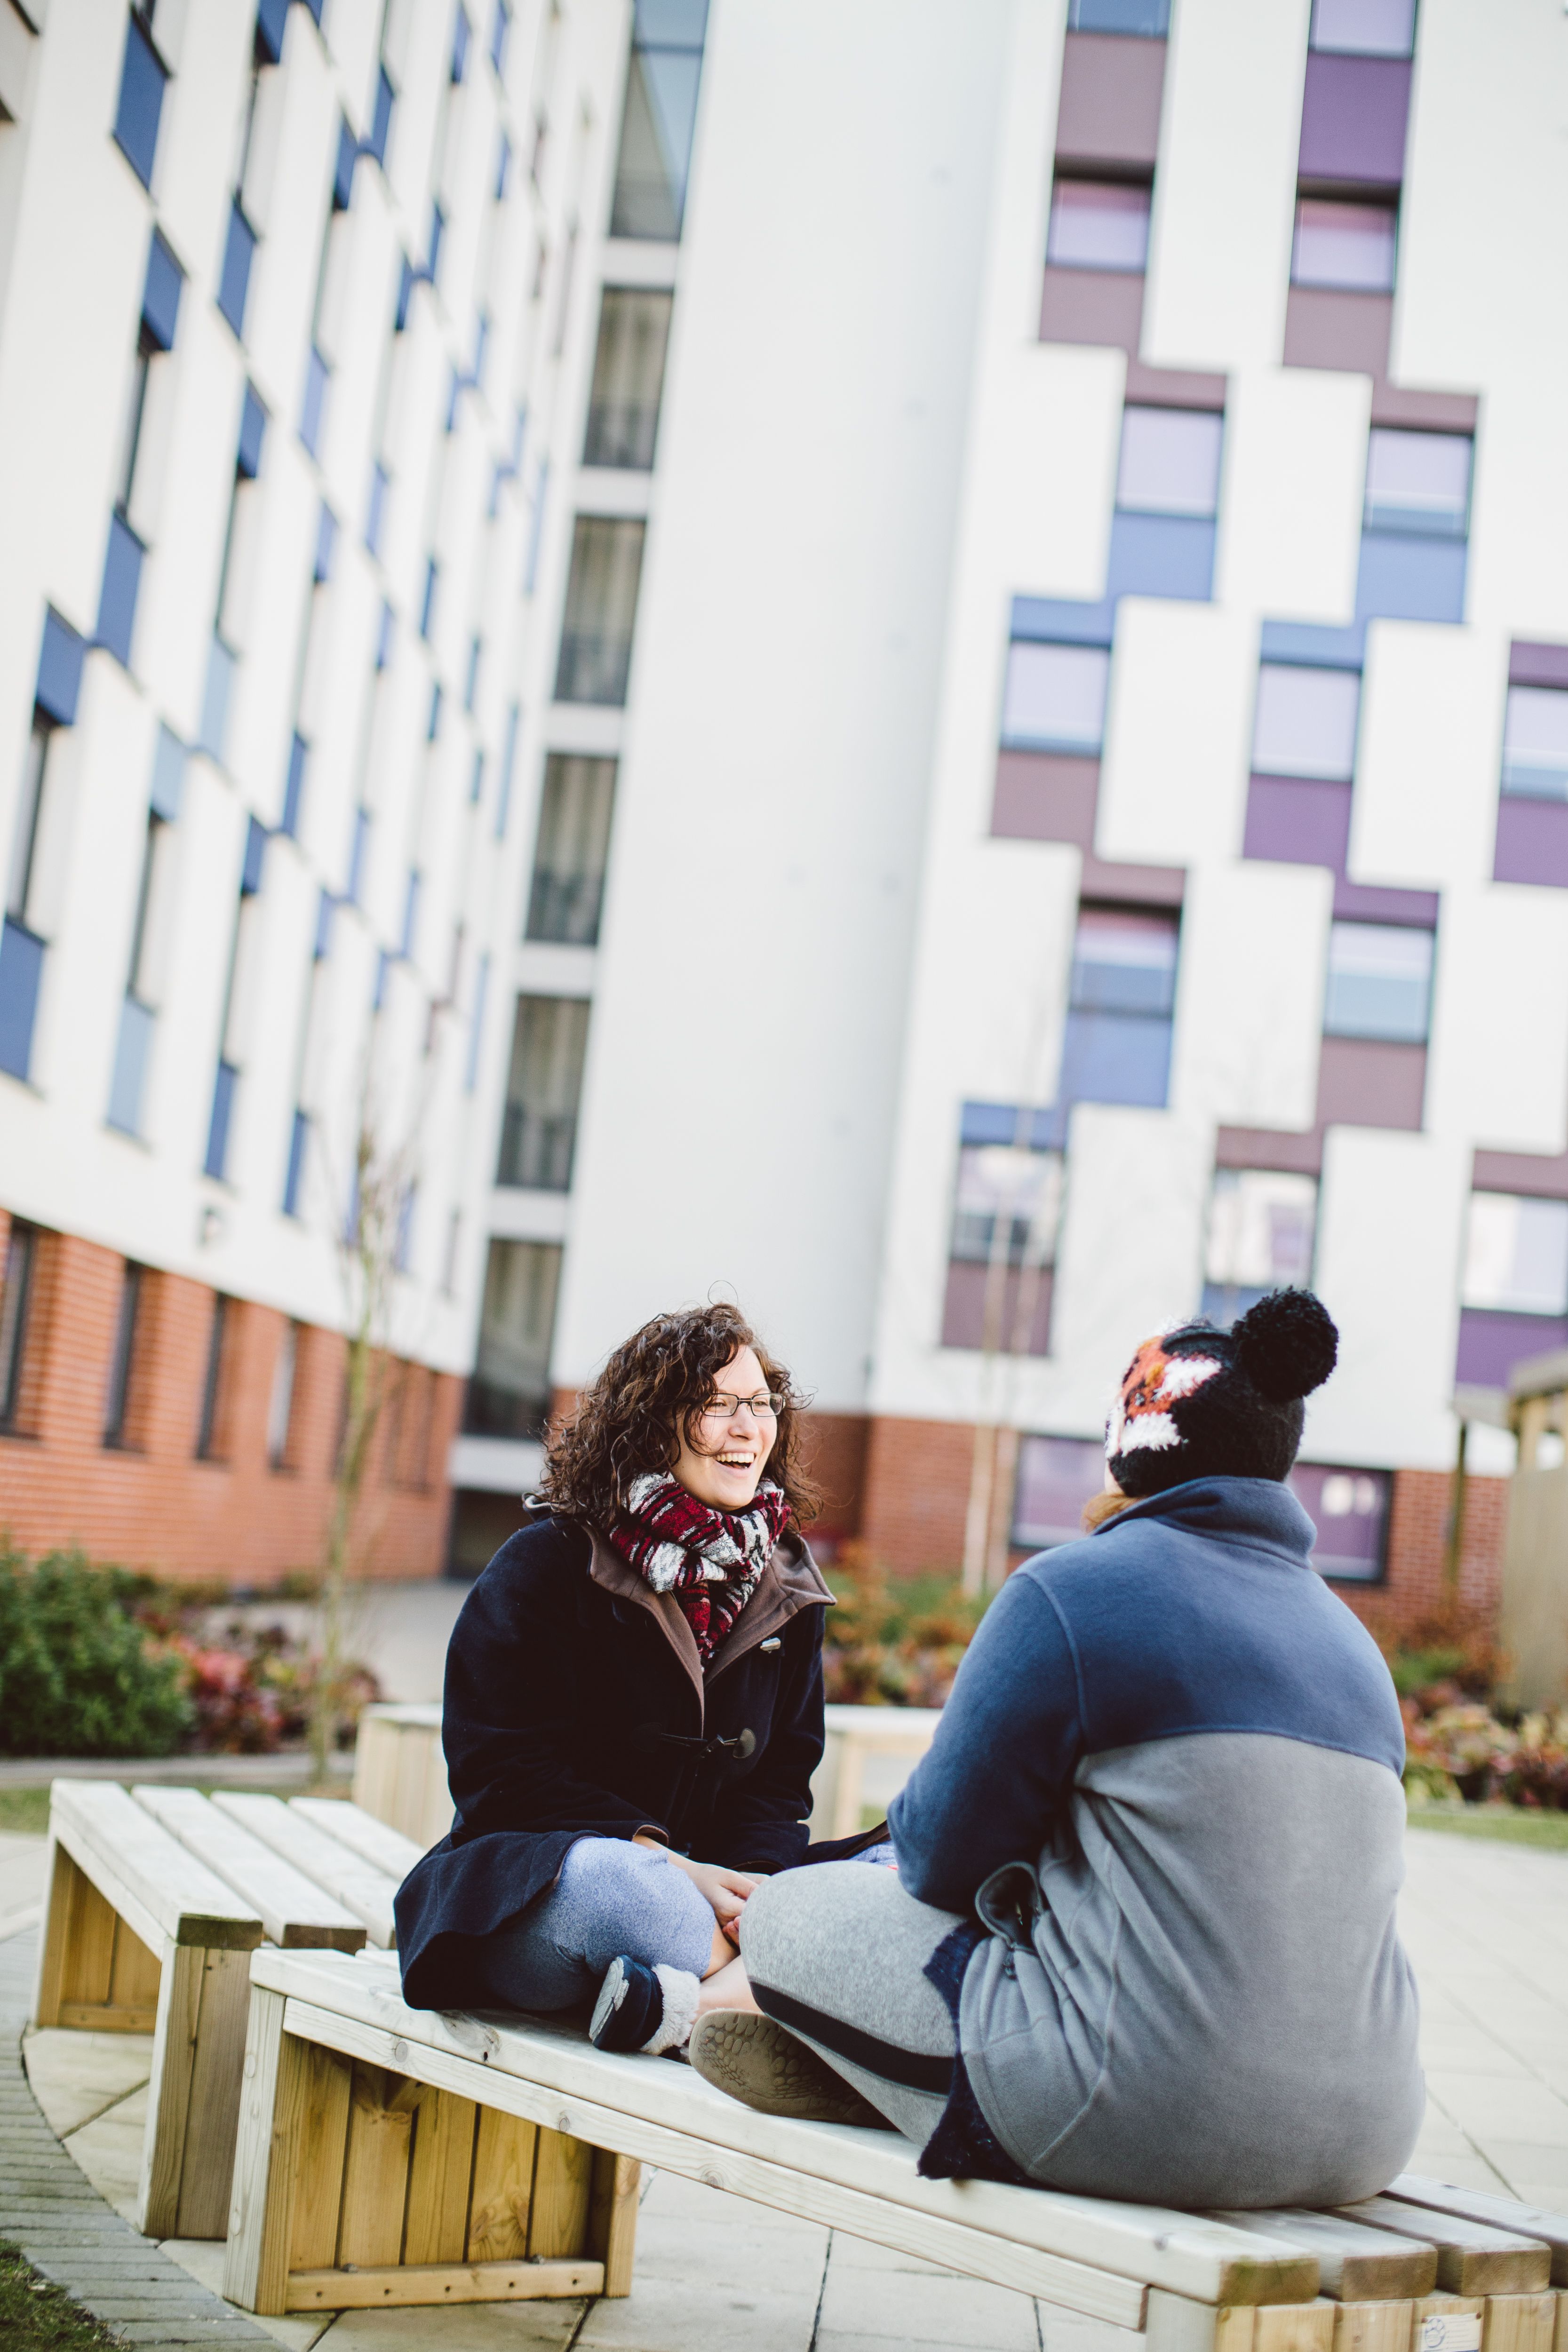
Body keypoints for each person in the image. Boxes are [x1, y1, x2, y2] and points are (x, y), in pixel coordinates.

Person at [689, 1289, 1427, 2210]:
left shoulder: (1075, 1590)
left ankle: (873, 2067)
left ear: (1132, 1443)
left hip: (1143, 2107)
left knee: (788, 1913)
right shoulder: (1355, 1648)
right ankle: (880, 2071)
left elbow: (937, 1862)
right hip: (1368, 2132)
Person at [394, 1300, 865, 2064]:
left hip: (712, 1908)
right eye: (716, 1406)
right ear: (650, 1423)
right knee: (631, 1891)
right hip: (553, 1898)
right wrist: (678, 1869)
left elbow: (779, 1788)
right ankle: (776, 1999)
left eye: (760, 1404)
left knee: (888, 1872)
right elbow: (503, 1777)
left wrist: (751, 1887)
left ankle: (684, 2008)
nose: (748, 1428)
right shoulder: (547, 1565)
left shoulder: (786, 1587)